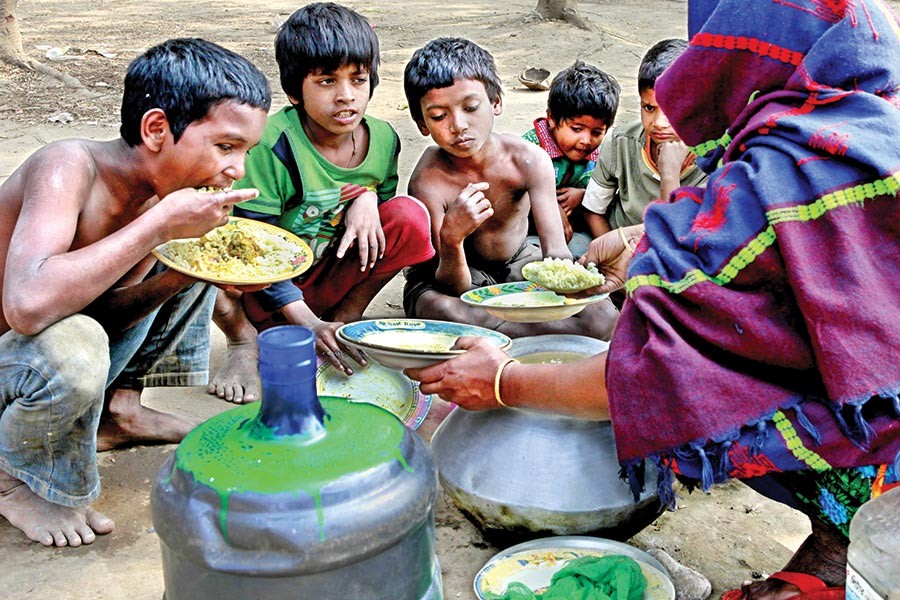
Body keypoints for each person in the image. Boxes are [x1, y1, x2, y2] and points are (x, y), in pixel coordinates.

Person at [407, 0, 900, 597]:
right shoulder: (875, 124)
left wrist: (505, 381)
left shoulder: (769, 181)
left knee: (713, 397)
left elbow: (657, 373)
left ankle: (861, 542)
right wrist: (646, 254)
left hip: (887, 441)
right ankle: (836, 546)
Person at [0, 38, 272, 547]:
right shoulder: (67, 167)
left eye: (245, 151)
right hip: (13, 360)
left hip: (33, 363)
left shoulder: (157, 201)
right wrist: (157, 229)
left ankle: (121, 410)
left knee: (193, 262)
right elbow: (28, 306)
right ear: (156, 129)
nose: (237, 169)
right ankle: (11, 481)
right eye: (225, 147)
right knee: (74, 343)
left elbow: (105, 313)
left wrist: (183, 272)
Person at [208, 2, 434, 395]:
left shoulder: (383, 140)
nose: (346, 96)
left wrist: (364, 196)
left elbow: (383, 225)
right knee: (204, 238)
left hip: (329, 277)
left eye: (358, 79)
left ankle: (345, 321)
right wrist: (306, 322)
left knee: (408, 216)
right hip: (262, 294)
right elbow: (258, 249)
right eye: (327, 81)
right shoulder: (271, 144)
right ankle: (243, 342)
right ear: (296, 90)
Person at [401, 37, 619, 340]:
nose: (458, 125)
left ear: (496, 102)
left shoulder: (528, 160)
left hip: (519, 263)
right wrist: (451, 238)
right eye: (439, 116)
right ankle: (542, 333)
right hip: (450, 274)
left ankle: (495, 332)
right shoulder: (429, 179)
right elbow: (454, 286)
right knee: (440, 308)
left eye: (471, 107)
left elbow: (556, 252)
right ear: (422, 123)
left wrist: (572, 286)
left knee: (603, 315)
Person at [582, 39, 707, 239]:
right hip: (612, 244)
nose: (658, 122)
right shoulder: (619, 142)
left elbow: (674, 237)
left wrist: (670, 175)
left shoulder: (716, 163)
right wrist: (614, 253)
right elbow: (593, 212)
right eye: (649, 108)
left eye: (672, 109)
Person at [522, 60, 621, 257]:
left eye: (597, 132)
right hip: (528, 233)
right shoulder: (529, 149)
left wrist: (583, 195)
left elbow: (605, 197)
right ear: (552, 119)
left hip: (574, 235)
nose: (586, 140)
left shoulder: (601, 156)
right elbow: (510, 193)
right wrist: (550, 207)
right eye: (576, 129)